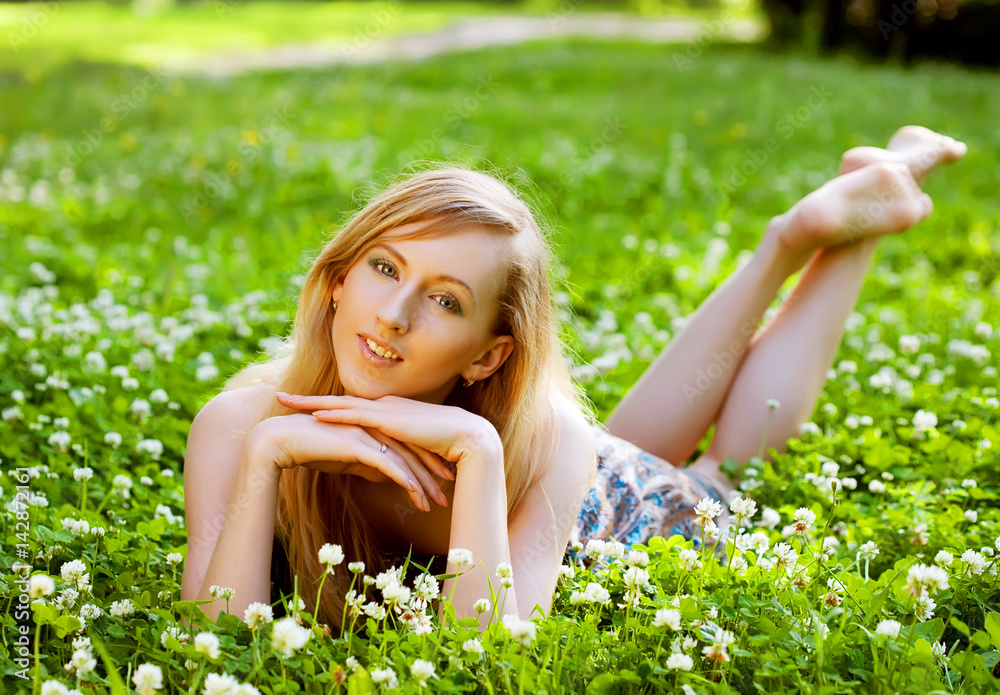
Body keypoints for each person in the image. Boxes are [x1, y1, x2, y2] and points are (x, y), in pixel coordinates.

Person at [180, 126, 966, 632]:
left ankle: (835, 235)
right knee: (601, 441)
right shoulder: (240, 424)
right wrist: (267, 458)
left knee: (724, 474)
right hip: (566, 472)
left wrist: (479, 453)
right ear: (339, 278)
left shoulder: (536, 438)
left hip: (626, 516)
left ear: (488, 355)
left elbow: (485, 654)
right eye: (385, 268)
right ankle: (797, 234)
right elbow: (214, 641)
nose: (393, 314)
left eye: (446, 300)